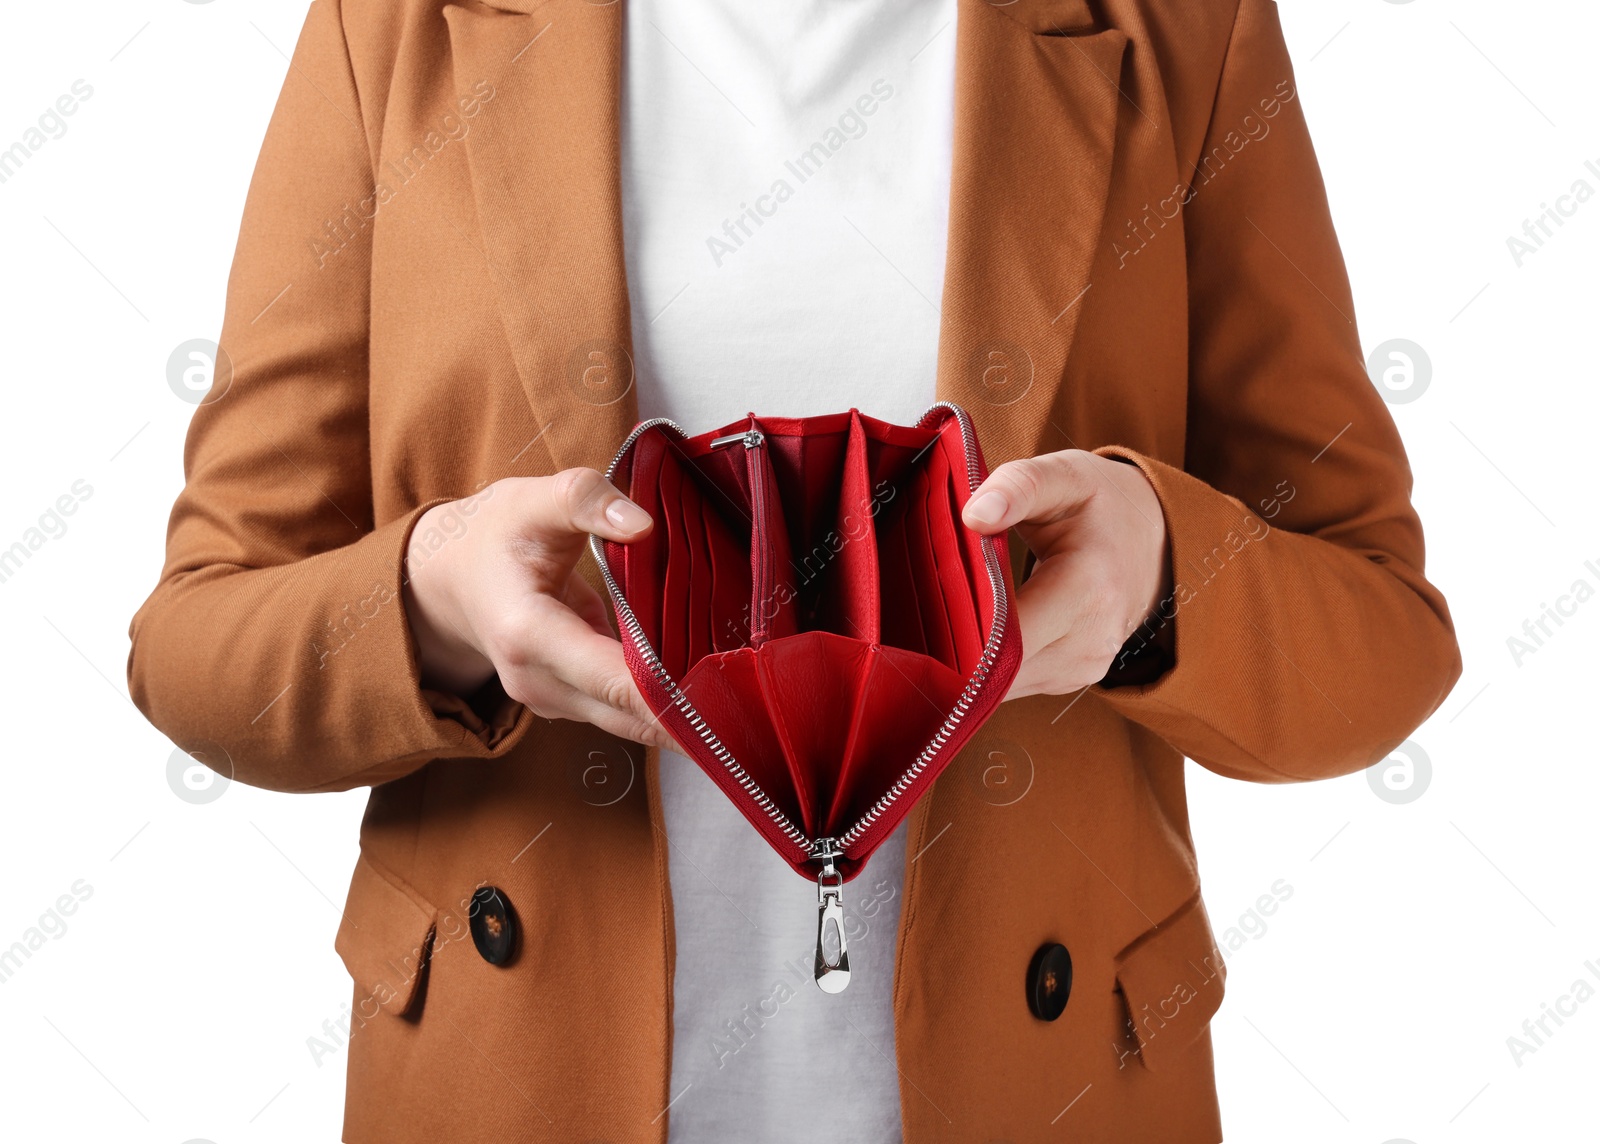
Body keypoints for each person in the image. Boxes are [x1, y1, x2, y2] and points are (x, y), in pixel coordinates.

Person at [128, 0, 1461, 1140]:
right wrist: (431, 601)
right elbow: (197, 643)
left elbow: (1385, 628)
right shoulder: (400, 26)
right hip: (505, 1083)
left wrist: (1164, 575)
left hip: (1047, 1088)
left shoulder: (1179, 25)